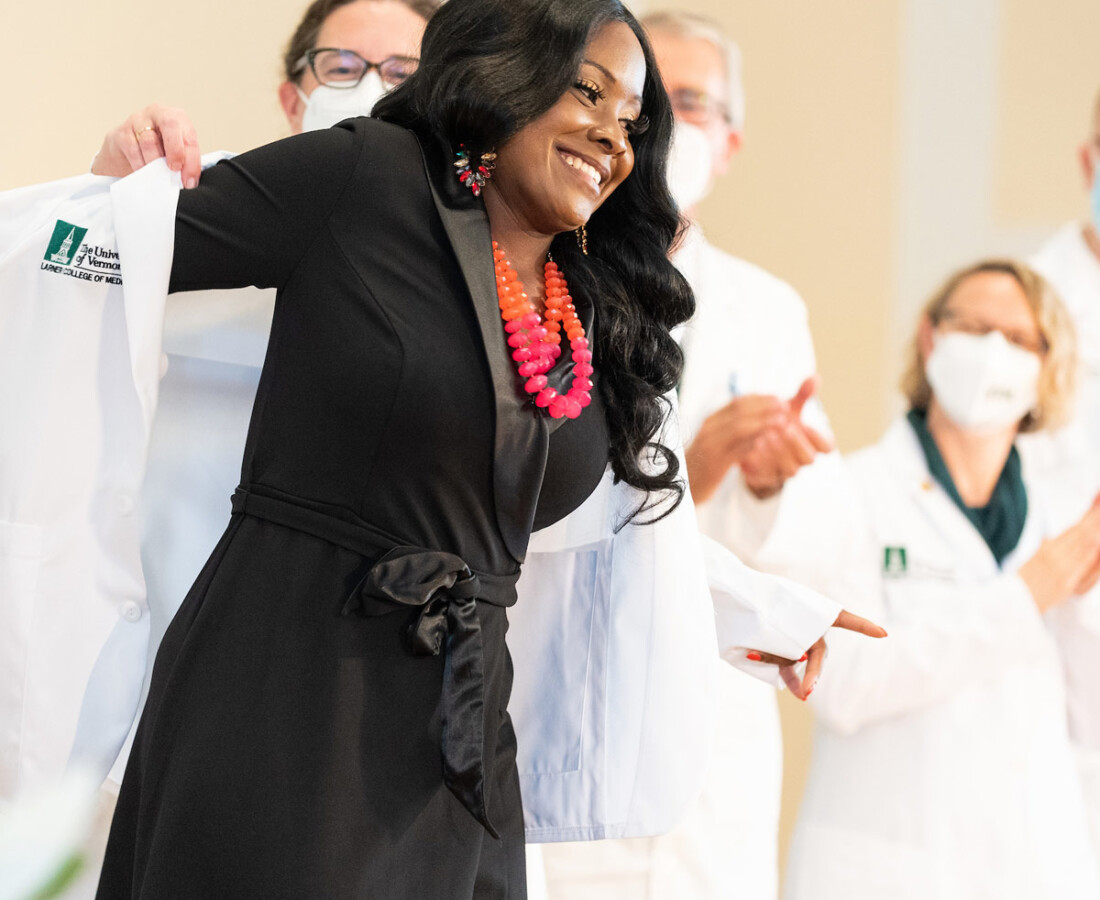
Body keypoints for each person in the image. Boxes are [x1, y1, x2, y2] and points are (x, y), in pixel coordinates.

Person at [5, 0, 880, 895]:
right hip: (295, 697)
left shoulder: (580, 295)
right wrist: (111, 197)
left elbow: (607, 533)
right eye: (588, 91)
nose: (612, 135)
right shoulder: (366, 176)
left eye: (632, 120)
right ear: (509, 78)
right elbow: (79, 261)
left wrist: (767, 611)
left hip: (460, 734)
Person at [541, 12, 837, 899]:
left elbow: (823, 542)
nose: (667, 122)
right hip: (575, 707)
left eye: (693, 101)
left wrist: (775, 486)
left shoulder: (770, 306)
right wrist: (695, 475)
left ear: (733, 141)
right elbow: (535, 507)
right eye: (646, 99)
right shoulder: (548, 274)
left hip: (717, 743)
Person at [783, 259, 1100, 899]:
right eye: (975, 327)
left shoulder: (1061, 521)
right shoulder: (855, 492)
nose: (993, 352)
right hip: (888, 866)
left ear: (1047, 365)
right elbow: (843, 682)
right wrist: (1026, 595)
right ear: (931, 339)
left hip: (1035, 866)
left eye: (1018, 340)